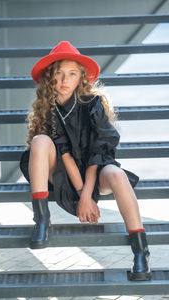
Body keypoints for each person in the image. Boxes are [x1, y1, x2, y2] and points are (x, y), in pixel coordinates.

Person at [20, 41, 152, 281]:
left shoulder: (92, 104)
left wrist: (87, 195)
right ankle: (42, 219)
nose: (64, 79)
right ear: (50, 77)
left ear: (81, 77)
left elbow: (97, 154)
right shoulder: (49, 109)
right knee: (40, 141)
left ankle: (141, 251)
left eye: (71, 73)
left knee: (118, 175)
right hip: (62, 171)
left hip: (96, 168)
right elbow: (65, 155)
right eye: (58, 73)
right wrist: (81, 194)